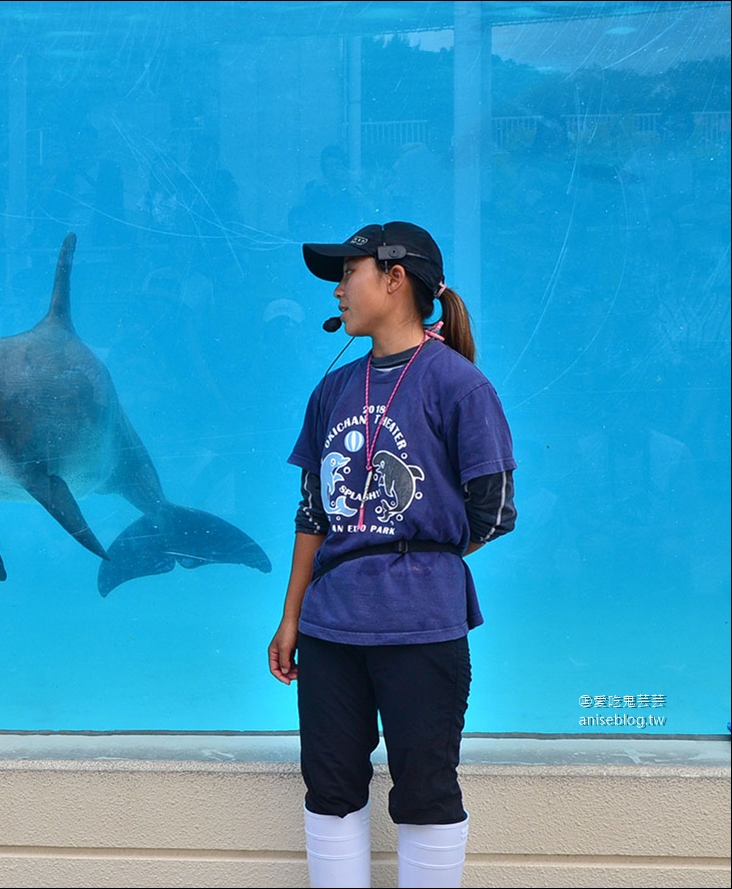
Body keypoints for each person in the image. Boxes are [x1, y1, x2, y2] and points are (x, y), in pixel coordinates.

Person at [268, 221, 517, 888]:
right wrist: (291, 616)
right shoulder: (332, 391)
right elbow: (313, 513)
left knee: (426, 787)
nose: (339, 290)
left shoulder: (458, 385)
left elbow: (494, 511)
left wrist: (414, 553)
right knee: (329, 785)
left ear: (394, 277)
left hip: (422, 626)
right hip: (330, 627)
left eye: (348, 273)